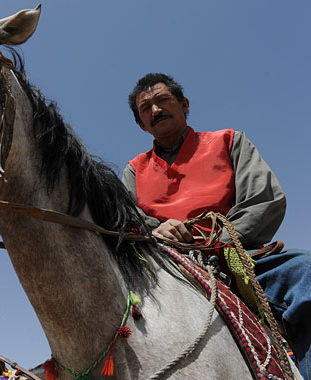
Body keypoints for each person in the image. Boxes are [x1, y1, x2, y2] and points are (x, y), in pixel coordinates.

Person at [122, 73, 311, 379]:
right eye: (146, 109)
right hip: (165, 266)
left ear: (184, 105)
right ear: (142, 124)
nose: (155, 110)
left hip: (239, 258)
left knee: (306, 274)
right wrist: (154, 232)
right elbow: (126, 221)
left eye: (162, 100)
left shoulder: (229, 141)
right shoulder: (133, 171)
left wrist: (217, 241)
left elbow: (265, 200)